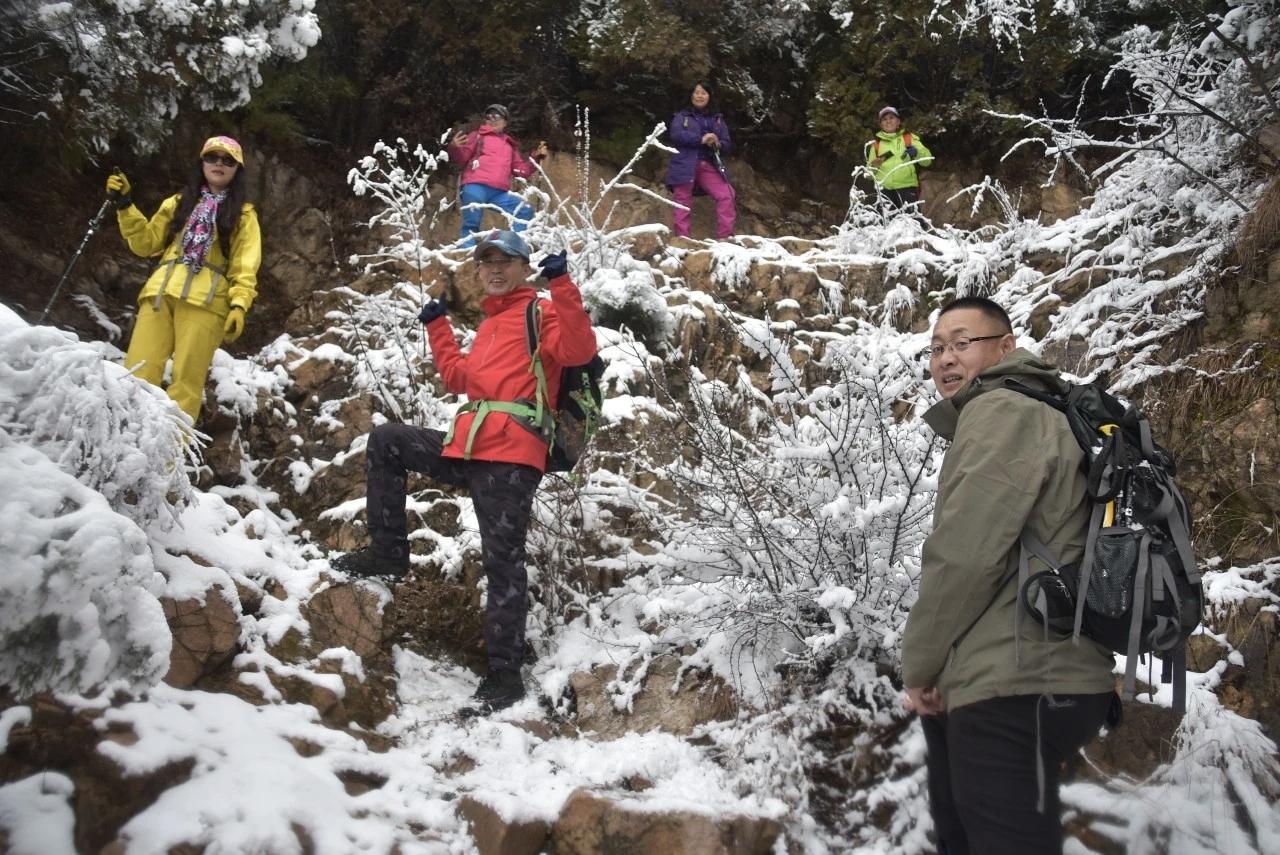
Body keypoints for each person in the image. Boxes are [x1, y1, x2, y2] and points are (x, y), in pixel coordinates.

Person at [332, 229, 597, 713]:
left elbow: (578, 352)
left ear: (524, 268)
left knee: (502, 559)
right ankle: (389, 553)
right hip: (469, 446)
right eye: (486, 262)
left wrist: (563, 286)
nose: (495, 269)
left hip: (512, 454)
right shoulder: (491, 324)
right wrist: (439, 328)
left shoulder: (540, 311)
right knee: (388, 441)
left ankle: (505, 674)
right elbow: (459, 379)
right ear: (477, 271)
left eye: (505, 261)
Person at [900, 296, 1118, 855]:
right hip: (1031, 673)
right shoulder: (1036, 410)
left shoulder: (1002, 409)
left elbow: (965, 554)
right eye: (936, 348)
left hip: (1019, 683)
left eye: (962, 342)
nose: (946, 358)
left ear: (1005, 347)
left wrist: (919, 666)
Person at [107, 135, 261, 423]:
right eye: (212, 157)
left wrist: (239, 305)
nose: (219, 164)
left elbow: (245, 265)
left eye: (228, 160)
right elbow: (146, 242)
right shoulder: (178, 203)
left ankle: (172, 450)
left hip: (207, 302)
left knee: (186, 384)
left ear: (237, 170)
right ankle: (126, 438)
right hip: (160, 294)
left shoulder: (244, 215)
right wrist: (125, 205)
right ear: (201, 163)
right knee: (137, 371)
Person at [448, 104, 549, 244]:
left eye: (496, 116)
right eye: (489, 117)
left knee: (524, 210)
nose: (492, 120)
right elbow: (461, 158)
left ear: (505, 122)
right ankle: (466, 252)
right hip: (475, 186)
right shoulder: (477, 136)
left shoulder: (509, 145)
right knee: (471, 224)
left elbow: (521, 171)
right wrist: (454, 148)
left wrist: (535, 159)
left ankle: (514, 245)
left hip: (499, 193)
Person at [665, 82, 736, 240]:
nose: (699, 96)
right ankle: (682, 240)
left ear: (709, 96)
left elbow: (727, 144)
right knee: (682, 201)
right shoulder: (682, 116)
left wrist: (717, 142)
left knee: (727, 194)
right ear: (691, 95)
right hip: (684, 164)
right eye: (696, 92)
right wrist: (700, 139)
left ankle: (725, 238)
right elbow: (676, 135)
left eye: (703, 93)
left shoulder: (717, 119)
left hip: (707, 164)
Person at [865, 106, 933, 211]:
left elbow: (927, 161)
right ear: (881, 124)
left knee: (912, 220)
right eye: (884, 119)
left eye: (891, 118)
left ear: (898, 121)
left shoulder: (909, 138)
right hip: (884, 191)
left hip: (907, 188)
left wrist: (917, 153)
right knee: (886, 221)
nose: (888, 121)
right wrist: (874, 166)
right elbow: (868, 175)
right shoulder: (876, 144)